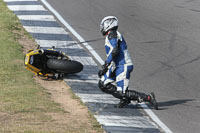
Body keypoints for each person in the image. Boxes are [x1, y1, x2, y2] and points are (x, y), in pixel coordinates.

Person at [98, 16, 158, 109]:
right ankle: (125, 98)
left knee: (121, 92)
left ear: (109, 24)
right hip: (116, 65)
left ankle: (148, 97)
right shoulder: (111, 34)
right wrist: (106, 67)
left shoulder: (112, 34)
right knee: (103, 84)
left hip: (123, 65)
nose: (102, 27)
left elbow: (115, 50)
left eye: (103, 25)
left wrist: (106, 65)